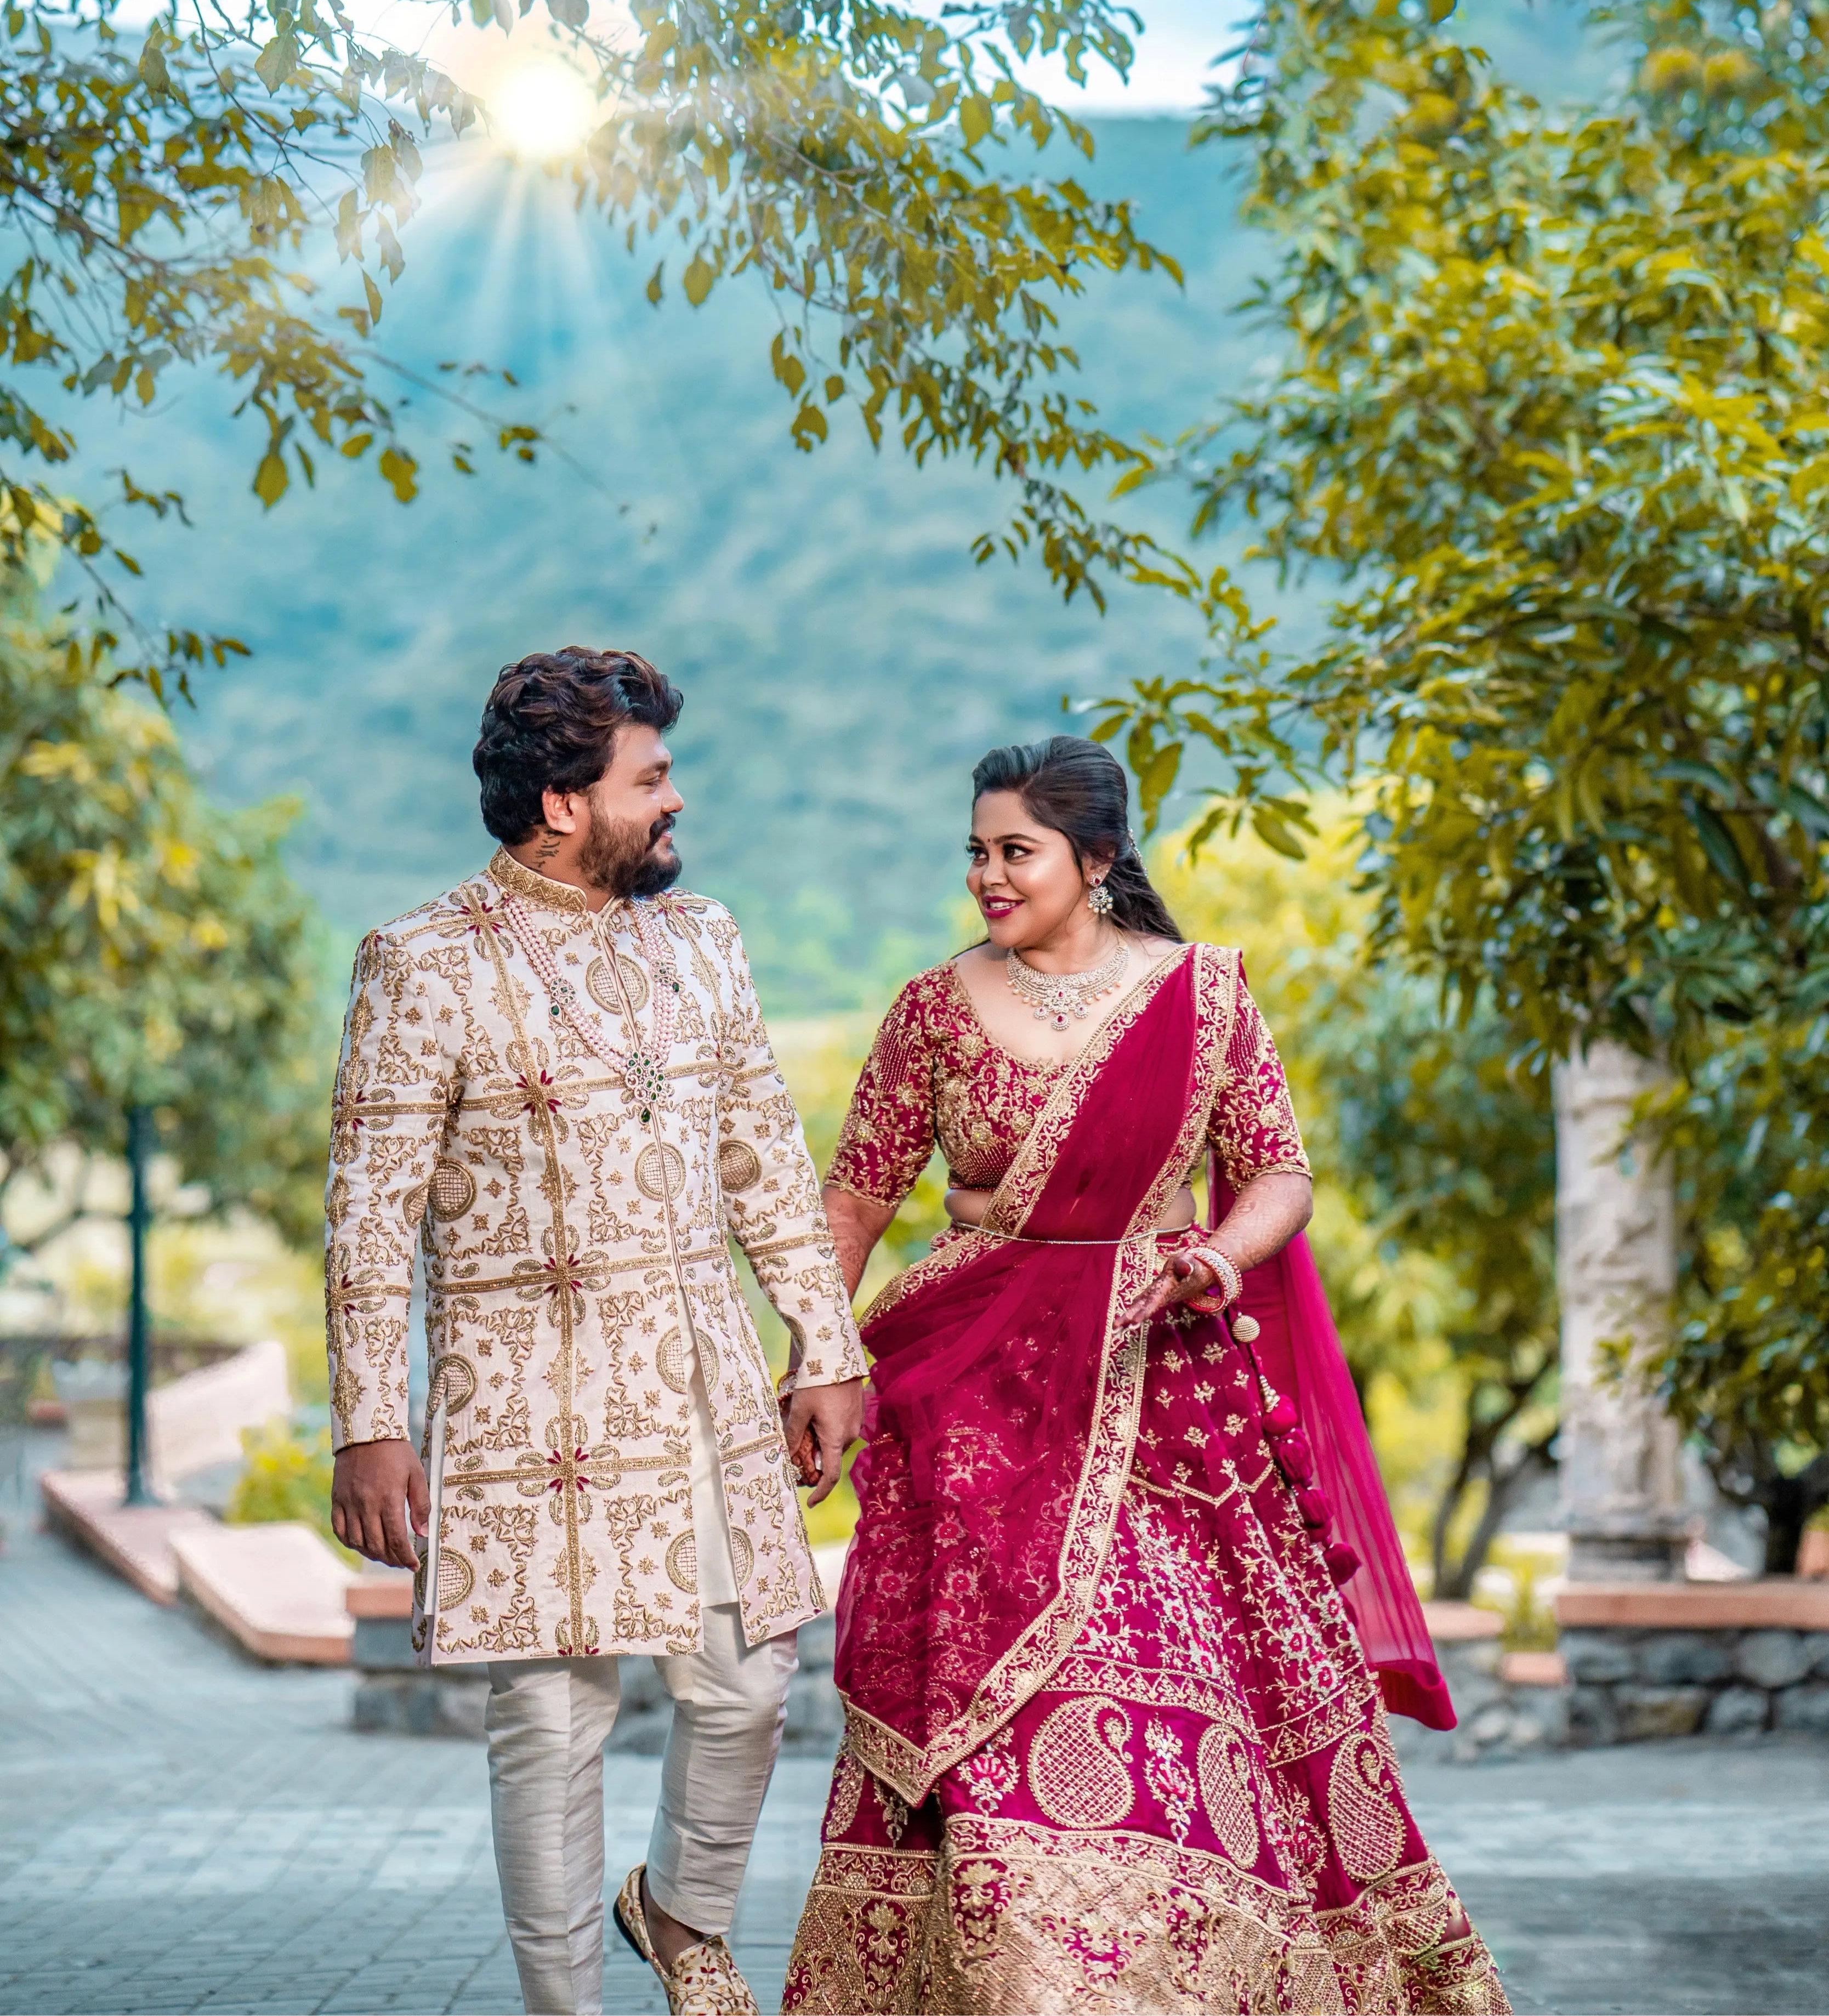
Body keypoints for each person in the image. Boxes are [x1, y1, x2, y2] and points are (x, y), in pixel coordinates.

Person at [782, 736, 1513, 2014]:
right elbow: (856, 1194)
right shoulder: (933, 1009)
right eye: (977, 851)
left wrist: (1219, 1258)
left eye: (1016, 851)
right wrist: (813, 1359)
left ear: (1099, 860)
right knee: (988, 1688)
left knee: (1193, 1675)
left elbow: (1279, 1167)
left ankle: (1195, 1966)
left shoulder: (1205, 995)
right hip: (976, 1391)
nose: (987, 878)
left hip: (1162, 1385)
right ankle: (1024, 1977)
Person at [326, 647, 867, 2016]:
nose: (675, 800)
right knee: (552, 1725)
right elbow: (370, 1214)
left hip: (702, 1382)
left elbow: (762, 1157)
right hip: (528, 1409)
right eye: (653, 777)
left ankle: (683, 1914)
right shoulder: (423, 962)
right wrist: (369, 1422)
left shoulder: (705, 939)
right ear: (564, 801)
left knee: (749, 1683)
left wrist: (823, 1343)